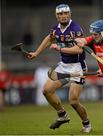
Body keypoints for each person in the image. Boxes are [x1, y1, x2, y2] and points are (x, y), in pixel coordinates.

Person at [27, 4, 92, 133]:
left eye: (65, 13)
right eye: (60, 14)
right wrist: (36, 53)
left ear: (70, 14)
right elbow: (49, 38)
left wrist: (60, 48)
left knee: (73, 101)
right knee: (47, 90)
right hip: (64, 66)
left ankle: (87, 124)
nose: (63, 16)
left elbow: (79, 49)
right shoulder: (55, 29)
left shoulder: (75, 29)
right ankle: (62, 115)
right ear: (57, 16)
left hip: (77, 67)